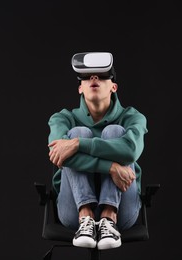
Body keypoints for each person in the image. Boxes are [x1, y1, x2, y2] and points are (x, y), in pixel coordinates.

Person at [47, 52, 148, 250]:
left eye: (102, 75)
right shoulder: (62, 119)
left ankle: (109, 217)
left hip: (123, 212)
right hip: (73, 212)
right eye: (87, 76)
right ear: (80, 88)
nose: (94, 78)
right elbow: (58, 154)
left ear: (114, 87)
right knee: (78, 132)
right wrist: (111, 167)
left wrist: (78, 145)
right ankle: (86, 215)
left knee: (114, 132)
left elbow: (130, 151)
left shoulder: (133, 117)